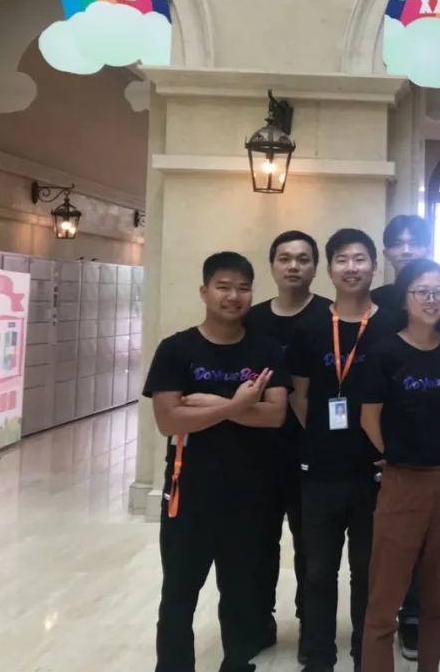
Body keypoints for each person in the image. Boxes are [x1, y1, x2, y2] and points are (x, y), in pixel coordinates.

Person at [144, 251, 292, 672]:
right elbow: (169, 420)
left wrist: (211, 404)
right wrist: (237, 406)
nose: (233, 296)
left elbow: (275, 415)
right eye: (223, 287)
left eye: (243, 288)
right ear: (204, 291)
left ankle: (237, 664)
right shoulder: (177, 349)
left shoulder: (266, 349)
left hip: (250, 492)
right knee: (179, 593)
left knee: (242, 594)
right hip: (188, 493)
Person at [288, 228, 395, 672]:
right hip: (320, 471)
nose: (351, 268)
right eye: (342, 260)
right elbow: (299, 396)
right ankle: (319, 657)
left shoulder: (391, 324)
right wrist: (321, 439)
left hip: (376, 471)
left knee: (368, 573)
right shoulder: (310, 326)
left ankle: (365, 657)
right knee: (317, 572)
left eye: (360, 259)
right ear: (329, 269)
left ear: (374, 266)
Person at [360, 258, 440, 672]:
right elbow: (369, 418)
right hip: (403, 481)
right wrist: (396, 454)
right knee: (385, 597)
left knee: (439, 597)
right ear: (404, 300)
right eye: (421, 291)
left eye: (439, 292)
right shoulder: (384, 353)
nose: (431, 299)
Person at [244, 230, 330, 663]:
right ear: (272, 266)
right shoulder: (252, 319)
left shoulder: (330, 316)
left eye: (303, 258)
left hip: (313, 452)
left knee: (311, 549)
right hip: (258, 451)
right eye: (284, 258)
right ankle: (259, 622)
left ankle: (311, 626)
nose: (293, 266)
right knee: (258, 544)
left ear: (315, 267)